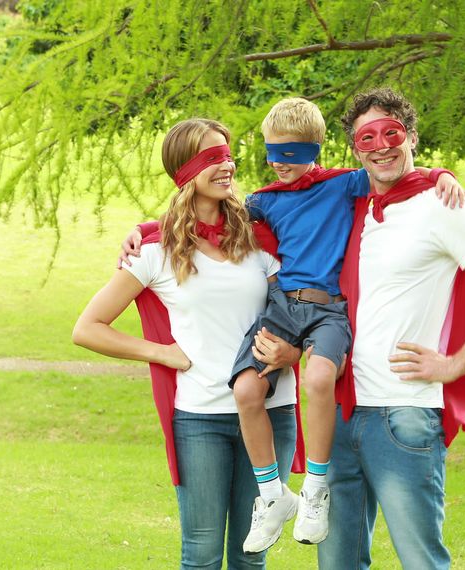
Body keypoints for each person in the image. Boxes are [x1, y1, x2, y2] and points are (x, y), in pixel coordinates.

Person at [123, 97, 465, 554]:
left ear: (316, 149)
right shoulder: (262, 202)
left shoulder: (343, 186)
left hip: (328, 310)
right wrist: (147, 229)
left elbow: (393, 175)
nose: (281, 164)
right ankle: (273, 496)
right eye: (273, 153)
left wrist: (440, 174)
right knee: (246, 390)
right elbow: (210, 219)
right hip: (284, 310)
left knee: (319, 378)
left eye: (293, 153)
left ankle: (316, 488)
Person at [314, 87, 465, 569]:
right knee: (337, 563)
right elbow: (275, 201)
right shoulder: (350, 204)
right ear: (356, 149)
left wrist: (457, 362)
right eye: (367, 138)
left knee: (421, 562)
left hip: (405, 414)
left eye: (391, 133)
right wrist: (148, 233)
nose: (381, 145)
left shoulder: (440, 205)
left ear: (412, 136)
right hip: (339, 409)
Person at [73, 117, 303, 569]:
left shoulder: (261, 236)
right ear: (184, 171)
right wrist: (161, 353)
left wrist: (293, 353)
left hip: (272, 411)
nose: (227, 165)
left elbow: (303, 311)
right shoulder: (155, 250)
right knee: (199, 555)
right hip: (201, 419)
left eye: (227, 154)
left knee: (250, 557)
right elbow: (88, 327)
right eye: (211, 157)